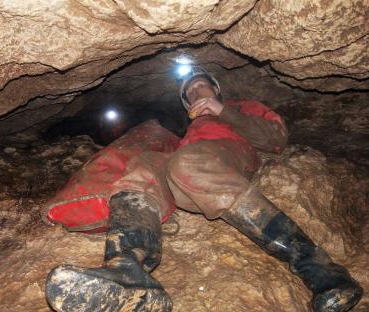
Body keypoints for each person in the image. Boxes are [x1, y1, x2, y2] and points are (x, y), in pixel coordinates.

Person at [43, 63, 363, 312]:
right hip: (188, 169)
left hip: (226, 154)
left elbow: (276, 138)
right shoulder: (190, 130)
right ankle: (129, 273)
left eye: (201, 85)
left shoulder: (241, 107)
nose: (196, 92)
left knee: (187, 162)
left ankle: (321, 269)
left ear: (216, 88)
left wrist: (223, 111)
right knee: (143, 167)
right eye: (190, 92)